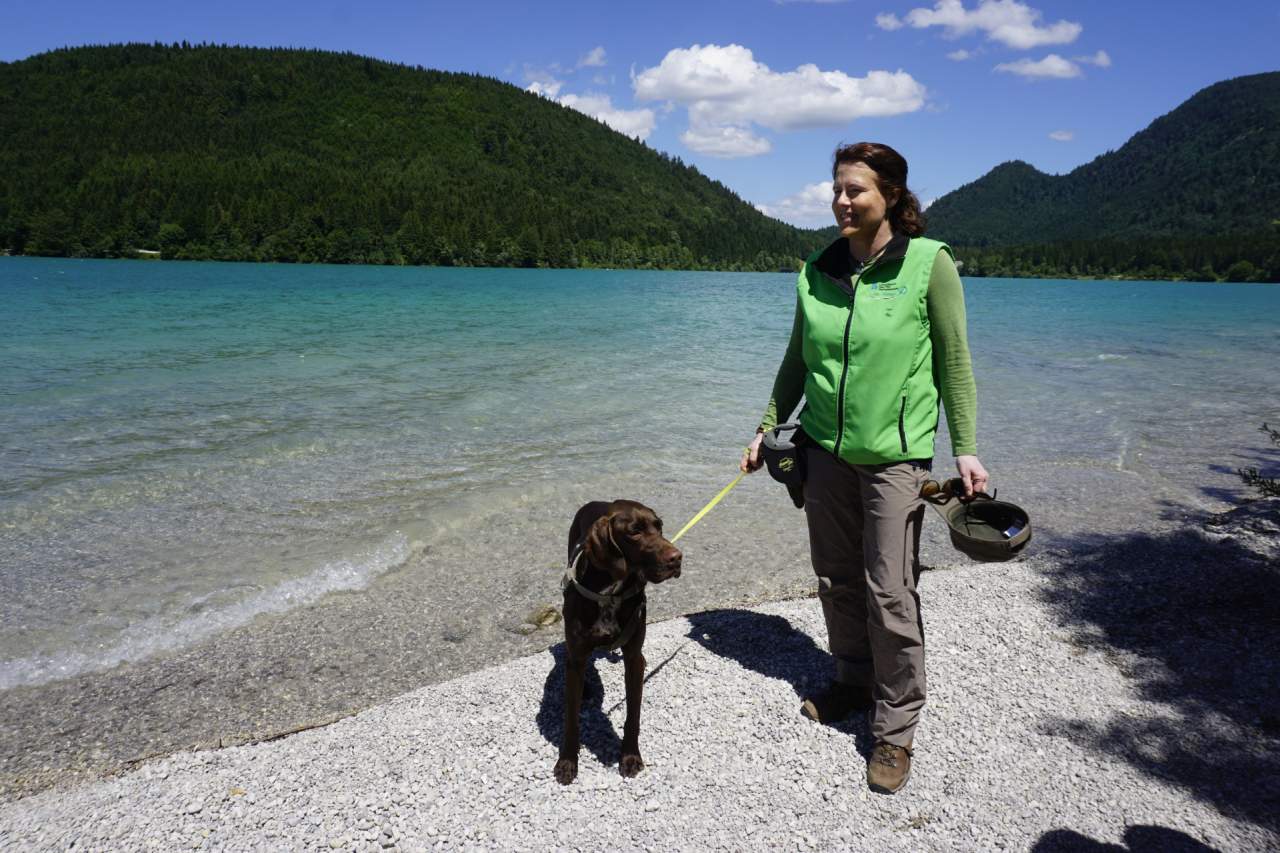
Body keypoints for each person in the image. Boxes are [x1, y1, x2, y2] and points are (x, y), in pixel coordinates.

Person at [741, 141, 987, 795]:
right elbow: (798, 358)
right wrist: (767, 424)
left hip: (895, 459)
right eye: (838, 188)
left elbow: (954, 361)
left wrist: (964, 446)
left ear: (893, 198)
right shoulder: (817, 267)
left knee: (890, 591)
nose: (842, 201)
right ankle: (852, 680)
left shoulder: (928, 264)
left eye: (857, 190)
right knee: (836, 576)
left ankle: (896, 728)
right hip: (823, 451)